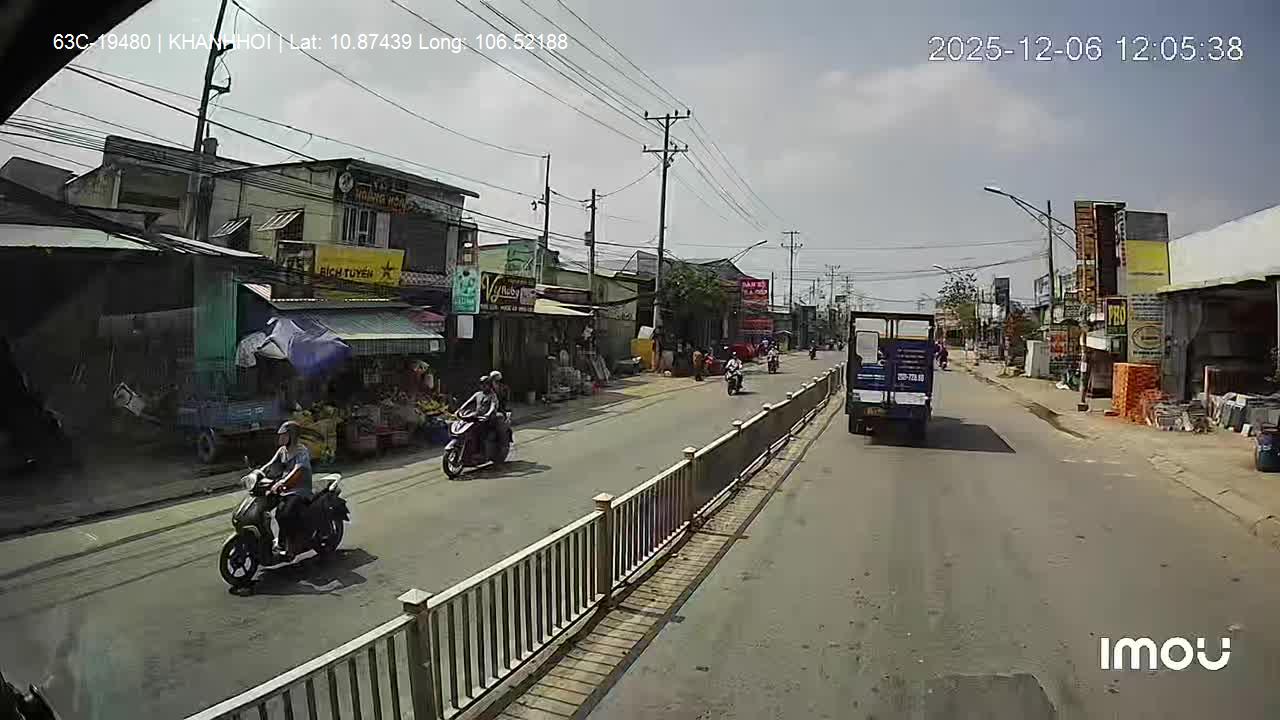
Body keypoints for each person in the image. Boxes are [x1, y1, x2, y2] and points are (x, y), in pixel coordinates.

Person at [262, 420, 313, 558]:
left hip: (300, 490)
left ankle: (291, 546)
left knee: (284, 513)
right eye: (280, 435)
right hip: (285, 489)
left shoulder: (301, 451)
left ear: (293, 436)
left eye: (284, 435)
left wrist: (282, 482)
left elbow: (298, 470)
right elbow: (270, 465)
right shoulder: (282, 451)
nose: (281, 438)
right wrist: (257, 474)